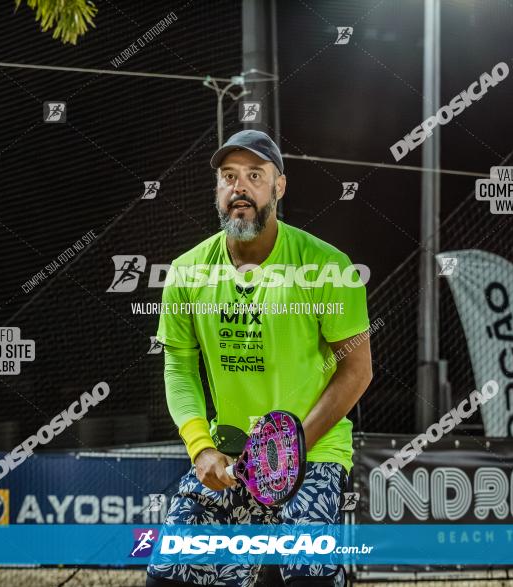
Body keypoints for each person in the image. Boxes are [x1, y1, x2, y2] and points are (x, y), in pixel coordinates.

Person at [146, 130, 373, 587]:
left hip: (312, 452)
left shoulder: (327, 267)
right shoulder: (188, 272)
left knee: (302, 571)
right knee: (168, 575)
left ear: (279, 187)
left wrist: (288, 449)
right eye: (229, 177)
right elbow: (179, 368)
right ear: (217, 190)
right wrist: (200, 446)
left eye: (254, 175)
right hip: (230, 455)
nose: (240, 188)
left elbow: (357, 369)